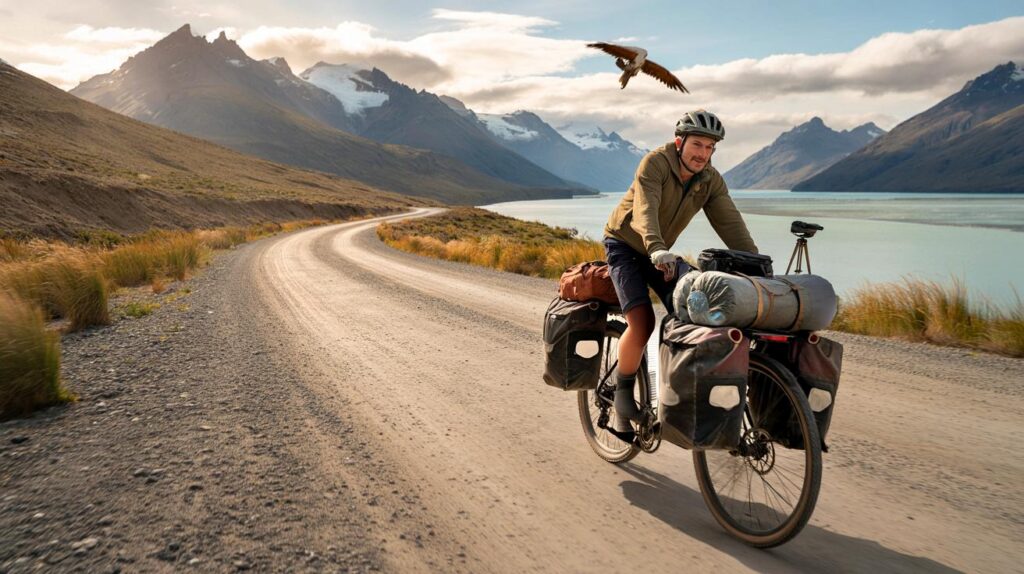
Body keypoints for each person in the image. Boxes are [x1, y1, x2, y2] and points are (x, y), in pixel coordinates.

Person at [603, 109, 758, 437]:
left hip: (661, 253)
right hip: (627, 245)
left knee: (697, 308)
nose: (702, 153)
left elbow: (730, 223)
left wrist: (756, 265)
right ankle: (621, 397)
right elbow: (645, 210)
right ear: (679, 142)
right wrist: (656, 247)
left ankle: (682, 391)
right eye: (697, 144)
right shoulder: (655, 163)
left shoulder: (710, 180)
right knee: (642, 321)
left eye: (709, 147)